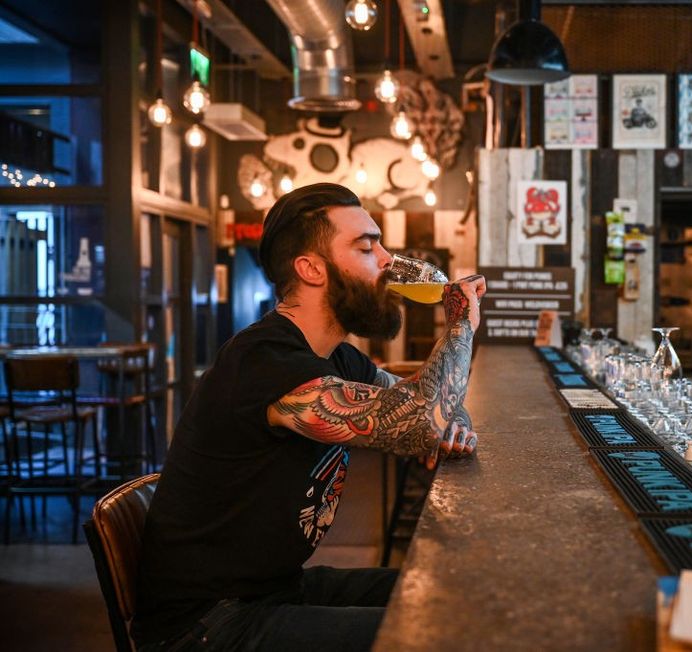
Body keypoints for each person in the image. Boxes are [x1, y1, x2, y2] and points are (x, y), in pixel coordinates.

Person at [132, 183, 485, 651]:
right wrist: (459, 323)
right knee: (444, 634)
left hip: (272, 590)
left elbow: (425, 404)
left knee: (455, 596)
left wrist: (447, 422)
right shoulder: (264, 360)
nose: (386, 260)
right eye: (366, 246)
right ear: (311, 268)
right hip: (206, 624)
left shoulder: (335, 357)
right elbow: (424, 418)